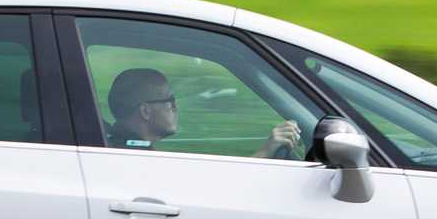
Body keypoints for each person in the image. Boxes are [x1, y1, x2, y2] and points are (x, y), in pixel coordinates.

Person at [105, 67, 301, 158]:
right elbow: (217, 193)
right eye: (169, 101)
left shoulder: (124, 146)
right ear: (145, 111)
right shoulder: (136, 157)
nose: (176, 107)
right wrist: (266, 151)